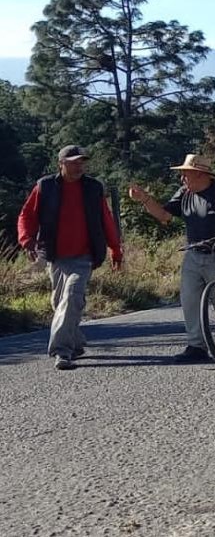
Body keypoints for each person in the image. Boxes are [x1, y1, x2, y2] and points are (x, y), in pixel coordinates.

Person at [128, 154, 215, 362]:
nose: (182, 179)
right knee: (190, 299)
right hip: (194, 253)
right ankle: (196, 346)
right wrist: (144, 199)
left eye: (186, 174)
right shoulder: (184, 193)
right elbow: (164, 216)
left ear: (201, 174)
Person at [17, 145, 123, 370]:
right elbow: (27, 215)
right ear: (61, 164)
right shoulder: (45, 186)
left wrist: (116, 248)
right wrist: (27, 240)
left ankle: (61, 351)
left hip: (84, 255)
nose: (79, 166)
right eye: (74, 161)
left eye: (82, 161)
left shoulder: (93, 188)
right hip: (54, 255)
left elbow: (106, 218)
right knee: (60, 303)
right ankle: (76, 341)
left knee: (72, 294)